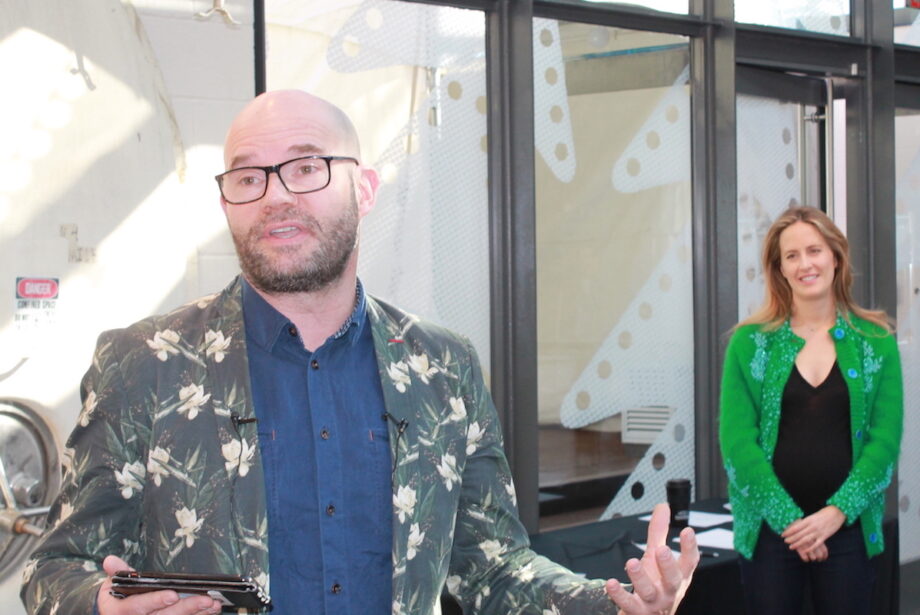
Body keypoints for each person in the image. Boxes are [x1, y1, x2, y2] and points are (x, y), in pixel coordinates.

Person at [21, 90, 698, 615]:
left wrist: (611, 601)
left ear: (365, 189)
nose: (276, 196)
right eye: (248, 177)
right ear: (226, 201)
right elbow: (55, 567)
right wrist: (102, 602)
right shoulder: (146, 363)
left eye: (307, 167)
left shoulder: (443, 366)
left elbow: (491, 567)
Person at [719, 206, 903, 615]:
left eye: (814, 250)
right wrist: (792, 524)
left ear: (835, 257)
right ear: (779, 269)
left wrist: (834, 515)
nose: (806, 264)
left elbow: (884, 442)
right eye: (792, 255)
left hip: (850, 530)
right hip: (771, 533)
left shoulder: (875, 340)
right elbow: (737, 444)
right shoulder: (749, 343)